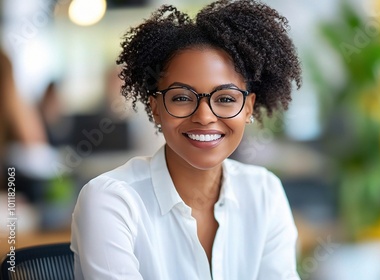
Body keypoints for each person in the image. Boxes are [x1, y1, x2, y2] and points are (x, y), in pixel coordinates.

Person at [70, 0, 302, 279]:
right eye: (181, 97)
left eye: (226, 99)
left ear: (248, 108)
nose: (204, 116)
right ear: (155, 108)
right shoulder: (113, 201)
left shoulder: (265, 192)